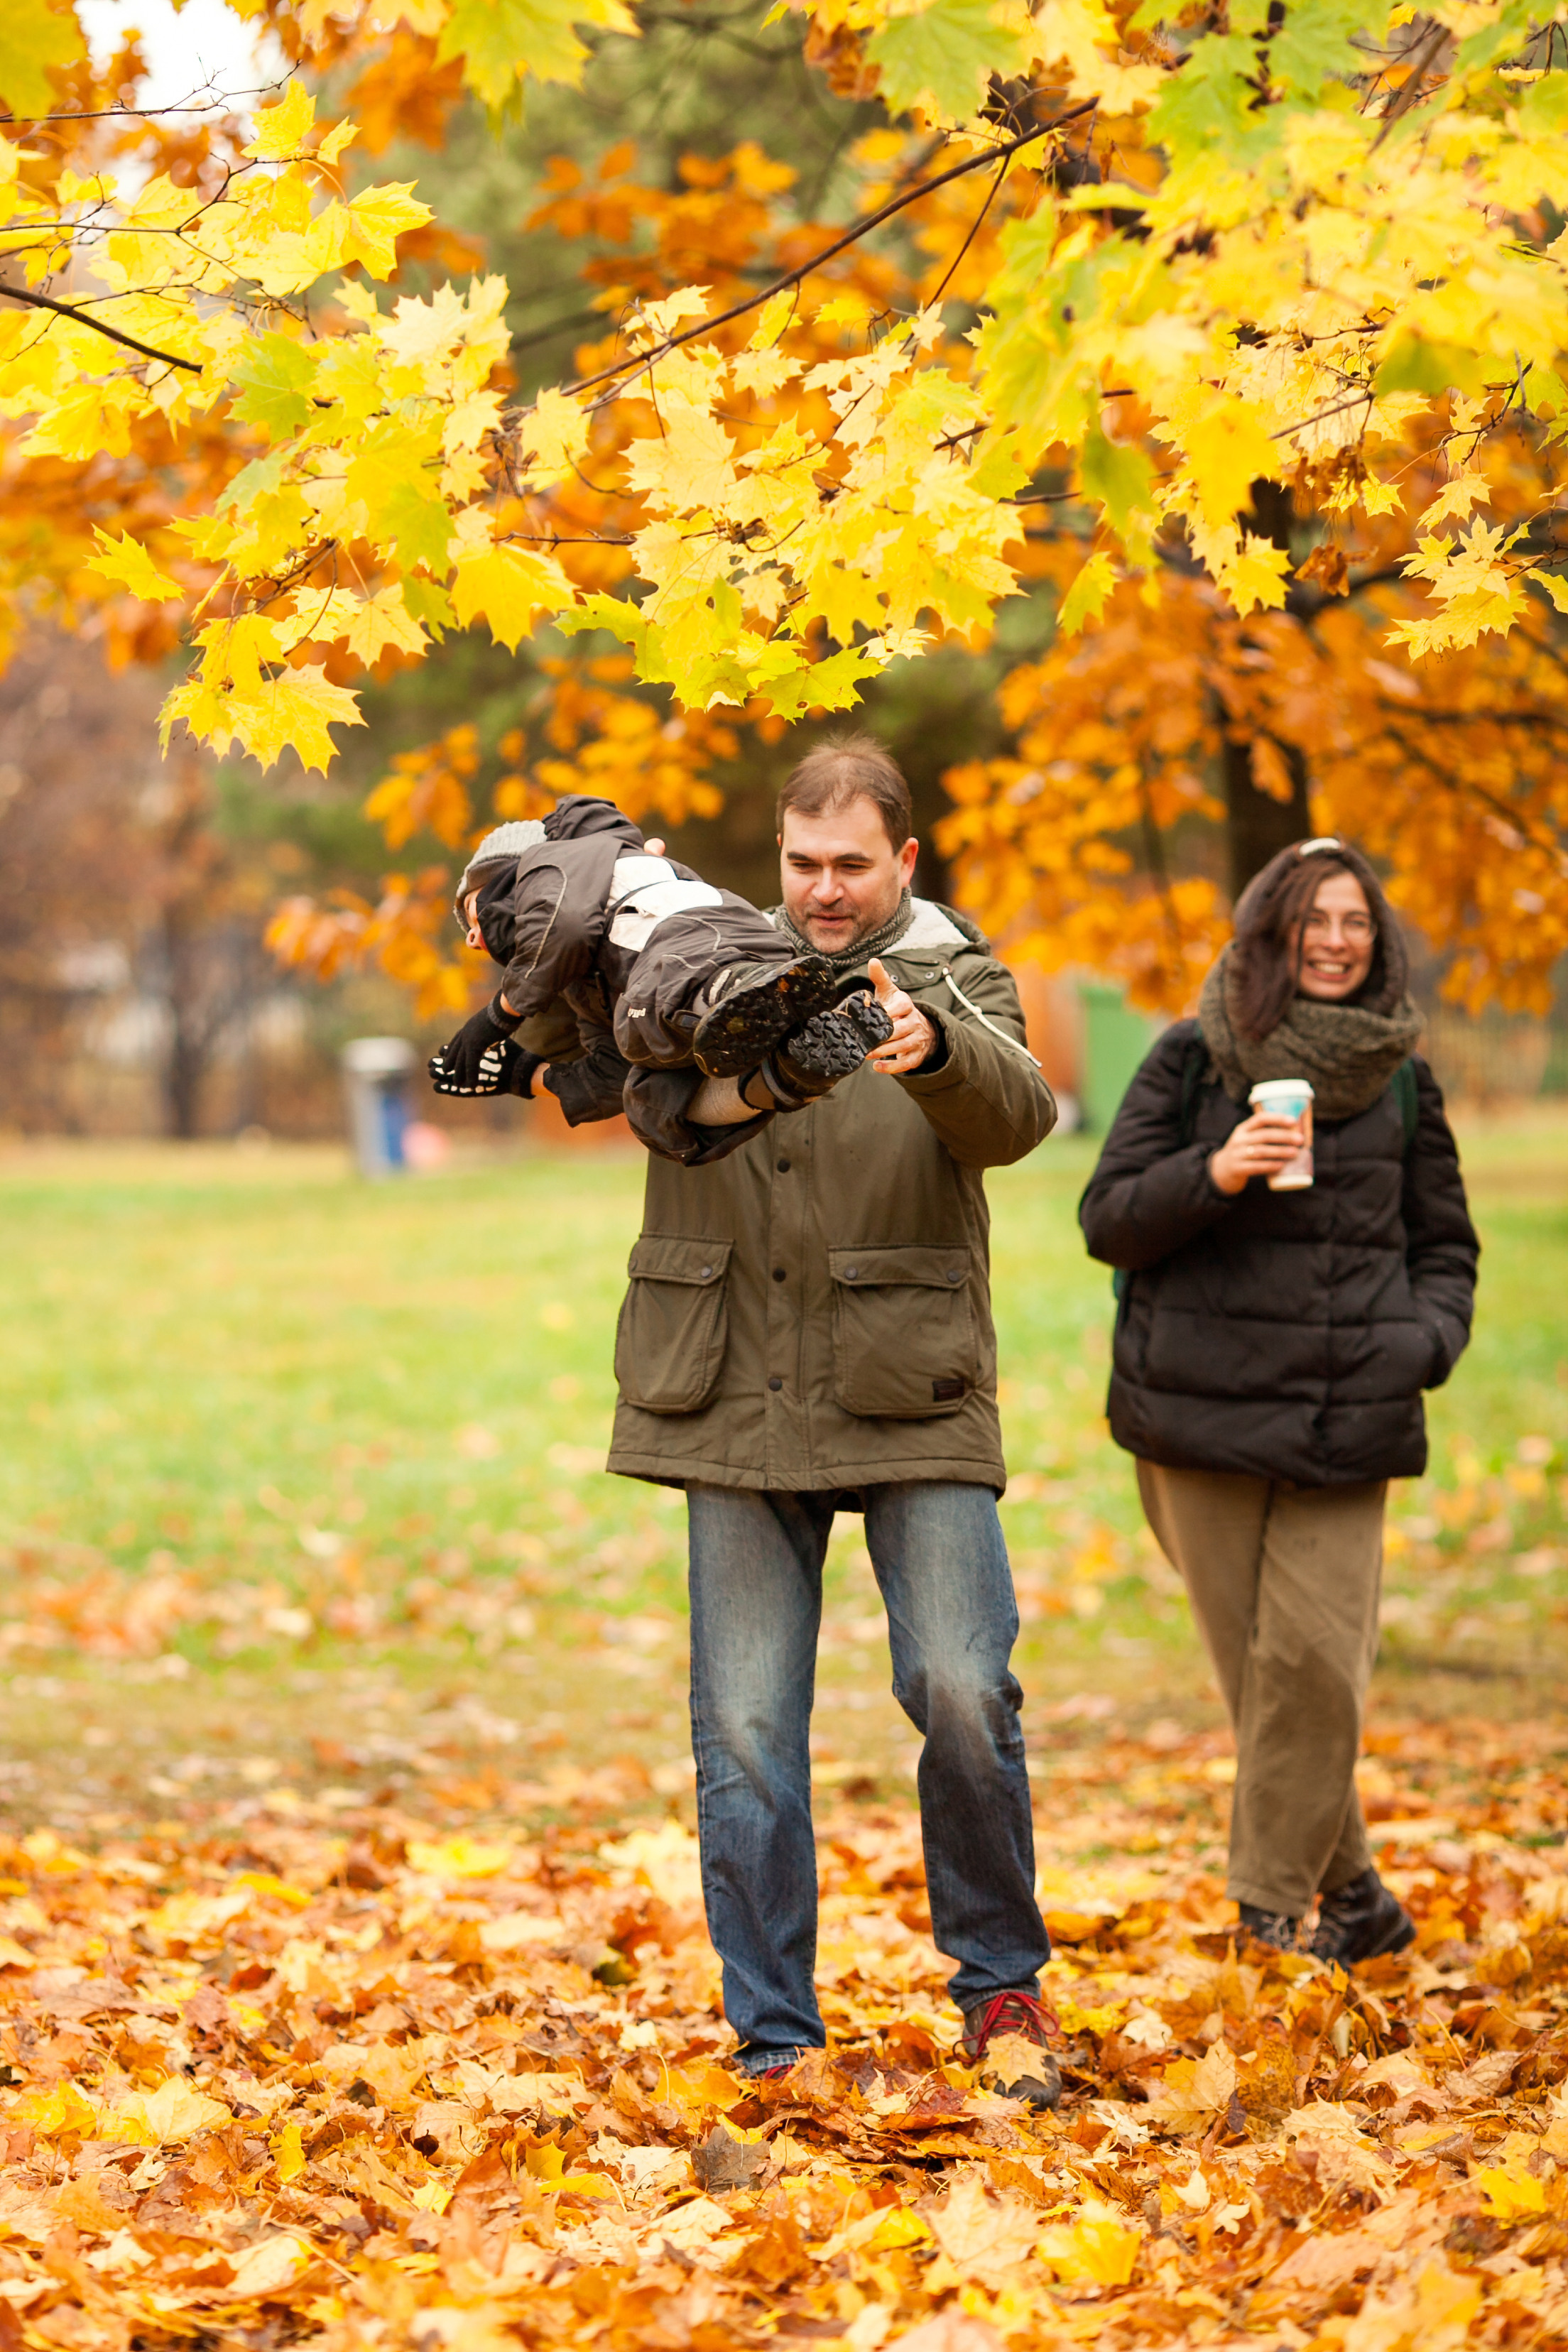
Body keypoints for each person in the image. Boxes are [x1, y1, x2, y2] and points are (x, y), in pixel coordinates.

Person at [607, 734, 1065, 2098]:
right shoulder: (706, 972)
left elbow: (1021, 1117)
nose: (821, 890)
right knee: (745, 1728)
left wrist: (928, 1050)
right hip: (732, 1385)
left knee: (961, 1690)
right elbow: (618, 1069)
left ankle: (1001, 1992)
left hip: (905, 1377)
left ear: (902, 861)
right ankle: (775, 2038)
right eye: (802, 864)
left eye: (848, 866)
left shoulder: (956, 973)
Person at [1079, 837, 1479, 1964]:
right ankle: (1356, 1900)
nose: (1340, 942)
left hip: (1351, 1415)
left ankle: (1267, 1917)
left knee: (1311, 1667)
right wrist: (1219, 1169)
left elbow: (1446, 1245)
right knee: (1263, 1681)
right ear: (1274, 933)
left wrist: (1422, 1343)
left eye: (1358, 922)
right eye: (1318, 921)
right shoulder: (1194, 1059)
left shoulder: (1403, 1077)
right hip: (1196, 1413)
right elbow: (1108, 1218)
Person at [427, 794, 891, 1146]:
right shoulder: (591, 981)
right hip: (703, 964)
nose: (472, 939)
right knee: (652, 1098)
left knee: (658, 1001)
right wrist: (524, 1075)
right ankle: (789, 1071)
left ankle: (742, 992)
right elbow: (612, 1077)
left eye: (472, 915)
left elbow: (561, 926)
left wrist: (495, 1018)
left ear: (506, 876)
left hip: (700, 948)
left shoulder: (553, 867)